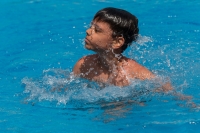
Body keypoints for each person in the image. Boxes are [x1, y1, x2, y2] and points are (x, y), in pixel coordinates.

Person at [73, 7, 167, 89]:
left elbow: (165, 87)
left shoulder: (134, 73)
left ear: (117, 42)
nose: (88, 31)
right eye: (91, 27)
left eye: (97, 30)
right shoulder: (83, 65)